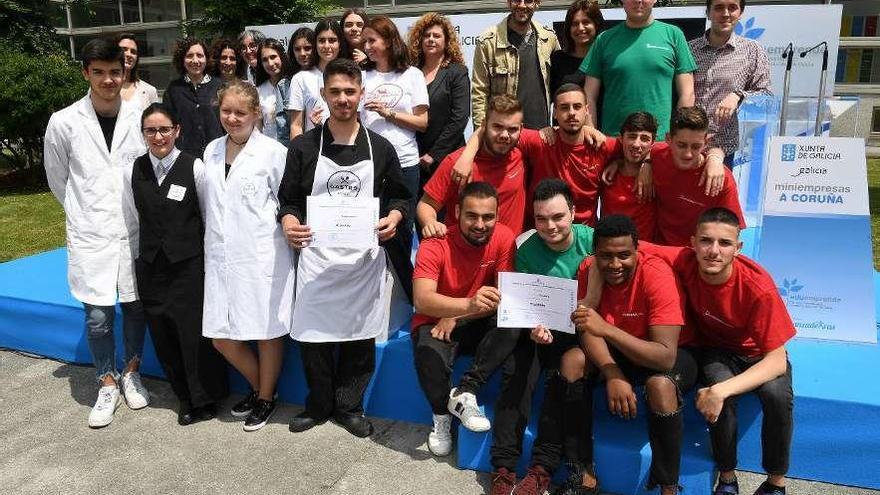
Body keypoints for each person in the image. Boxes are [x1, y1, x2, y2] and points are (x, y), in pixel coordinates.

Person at [278, 58, 411, 438]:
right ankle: (318, 404)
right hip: (317, 260)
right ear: (323, 94)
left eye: (350, 91)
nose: (342, 99)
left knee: (359, 336)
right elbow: (287, 201)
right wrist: (288, 222)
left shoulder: (382, 148)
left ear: (361, 94)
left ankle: (349, 406)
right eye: (334, 92)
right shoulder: (303, 147)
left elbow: (401, 198)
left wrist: (395, 219)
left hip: (362, 261)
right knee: (313, 336)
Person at [639, 207, 795, 495]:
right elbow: (629, 243)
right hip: (717, 351)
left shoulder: (757, 287)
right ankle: (727, 478)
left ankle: (776, 482)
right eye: (706, 241)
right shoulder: (685, 260)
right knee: (718, 391)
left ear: (738, 248)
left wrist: (721, 390)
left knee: (775, 396)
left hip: (758, 355)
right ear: (692, 242)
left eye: (724, 243)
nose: (713, 251)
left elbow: (776, 361)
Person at [44, 38, 150, 428]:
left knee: (136, 307)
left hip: (133, 229)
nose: (108, 79)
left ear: (124, 73)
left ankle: (131, 370)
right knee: (98, 317)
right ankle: (106, 379)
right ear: (86, 72)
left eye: (115, 72)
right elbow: (58, 180)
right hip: (91, 232)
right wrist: (85, 211)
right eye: (100, 72)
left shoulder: (140, 114)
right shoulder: (64, 121)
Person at [559, 214, 696, 495]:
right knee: (572, 361)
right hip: (619, 354)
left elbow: (665, 357)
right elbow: (586, 329)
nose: (615, 264)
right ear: (595, 253)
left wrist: (607, 329)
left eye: (624, 255)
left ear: (637, 251)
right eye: (606, 256)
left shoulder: (656, 274)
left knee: (660, 385)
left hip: (664, 353)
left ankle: (669, 487)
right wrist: (612, 373)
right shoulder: (588, 269)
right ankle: (583, 474)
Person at [412, 182, 532, 482]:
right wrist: (462, 306)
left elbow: (506, 296)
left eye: (488, 217)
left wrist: (461, 314)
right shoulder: (436, 242)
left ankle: (466, 390)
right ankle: (441, 416)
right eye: (472, 216)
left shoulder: (504, 237)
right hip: (433, 320)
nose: (480, 224)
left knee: (512, 323)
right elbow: (422, 299)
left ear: (497, 215)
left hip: (471, 318)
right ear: (456, 213)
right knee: (428, 354)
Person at [123, 103, 228, 426]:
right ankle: (184, 397)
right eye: (150, 131)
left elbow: (210, 218)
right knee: (164, 334)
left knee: (193, 334)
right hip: (152, 266)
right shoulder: (132, 171)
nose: (158, 136)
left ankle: (206, 397)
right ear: (143, 134)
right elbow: (131, 222)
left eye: (164, 129)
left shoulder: (194, 167)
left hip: (188, 265)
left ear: (177, 131)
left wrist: (210, 264)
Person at [201, 81, 295, 432]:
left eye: (241, 112)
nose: (233, 118)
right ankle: (259, 387)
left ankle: (266, 397)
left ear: (257, 113)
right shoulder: (210, 150)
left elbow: (288, 202)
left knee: (267, 329)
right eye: (226, 111)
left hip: (262, 255)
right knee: (220, 335)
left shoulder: (273, 152)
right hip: (221, 254)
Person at [494, 179, 597, 494]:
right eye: (541, 219)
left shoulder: (593, 241)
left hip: (584, 333)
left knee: (560, 376)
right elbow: (524, 301)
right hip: (543, 331)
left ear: (574, 213)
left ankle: (542, 467)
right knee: (517, 369)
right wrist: (532, 327)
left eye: (558, 217)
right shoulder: (525, 248)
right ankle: (503, 466)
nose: (550, 226)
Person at [451, 84, 610, 228]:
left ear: (587, 110)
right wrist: (467, 157)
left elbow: (630, 146)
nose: (571, 113)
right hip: (537, 234)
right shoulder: (541, 141)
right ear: (554, 112)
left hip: (584, 235)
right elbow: (489, 130)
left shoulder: (600, 144)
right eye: (564, 107)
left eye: (577, 107)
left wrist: (618, 162)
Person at [581, 0, 696, 139]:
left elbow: (687, 94)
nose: (638, 1)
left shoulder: (674, 35)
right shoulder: (604, 40)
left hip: (659, 142)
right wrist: (590, 131)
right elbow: (589, 96)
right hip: (613, 142)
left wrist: (680, 136)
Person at [418, 95, 527, 237]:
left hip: (509, 254)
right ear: (484, 125)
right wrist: (430, 223)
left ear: (521, 129)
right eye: (497, 127)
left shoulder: (523, 152)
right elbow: (426, 205)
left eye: (512, 129)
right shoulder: (456, 162)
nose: (504, 135)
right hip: (464, 254)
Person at [361, 15, 429, 237]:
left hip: (405, 162)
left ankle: (402, 273)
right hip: (369, 162)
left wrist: (387, 113)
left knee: (401, 229)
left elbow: (422, 122)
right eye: (365, 42)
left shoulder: (412, 75)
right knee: (372, 227)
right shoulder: (361, 76)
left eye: (372, 40)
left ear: (388, 41)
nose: (367, 47)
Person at [689, 0, 772, 167]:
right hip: (689, 146)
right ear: (708, 12)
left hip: (726, 148)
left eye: (732, 8)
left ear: (740, 13)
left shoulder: (752, 50)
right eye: (719, 8)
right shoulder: (689, 49)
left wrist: (738, 95)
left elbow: (766, 94)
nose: (726, 13)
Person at [650, 106, 744, 246]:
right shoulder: (655, 155)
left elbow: (732, 230)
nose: (688, 154)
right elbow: (622, 149)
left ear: (705, 143)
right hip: (660, 251)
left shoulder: (722, 178)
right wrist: (644, 163)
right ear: (668, 139)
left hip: (699, 256)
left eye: (695, 147)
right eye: (681, 145)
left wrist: (715, 157)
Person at [472, 0, 559, 130]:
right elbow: (480, 93)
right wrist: (481, 134)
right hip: (504, 135)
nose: (522, 5)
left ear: (537, 3)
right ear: (509, 2)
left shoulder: (549, 38)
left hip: (542, 133)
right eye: (517, 0)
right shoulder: (488, 42)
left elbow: (560, 88)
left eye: (528, 1)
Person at [407, 13, 470, 188]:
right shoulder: (411, 73)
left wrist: (434, 154)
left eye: (436, 36)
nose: (431, 39)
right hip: (414, 158)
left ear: (446, 41)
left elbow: (460, 117)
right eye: (426, 36)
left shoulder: (457, 72)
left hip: (447, 157)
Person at [600, 111, 658, 242]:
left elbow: (675, 146)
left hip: (645, 253)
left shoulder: (658, 172)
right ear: (620, 139)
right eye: (632, 136)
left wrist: (648, 162)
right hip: (608, 249)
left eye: (644, 139)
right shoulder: (606, 169)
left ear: (652, 144)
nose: (637, 144)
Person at [164, 38, 223, 158]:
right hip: (185, 156)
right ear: (182, 59)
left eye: (200, 55)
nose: (195, 60)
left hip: (217, 154)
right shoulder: (174, 89)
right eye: (190, 56)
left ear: (206, 59)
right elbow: (168, 124)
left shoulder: (220, 87)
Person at [288, 19, 347, 140]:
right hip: (314, 149)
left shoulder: (351, 75)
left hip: (346, 147)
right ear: (315, 44)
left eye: (332, 40)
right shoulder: (300, 78)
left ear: (340, 44)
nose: (326, 46)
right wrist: (297, 156)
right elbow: (296, 126)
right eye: (321, 41)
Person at [549, 0, 604, 97]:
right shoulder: (557, 59)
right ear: (569, 29)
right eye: (575, 24)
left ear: (596, 25)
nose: (581, 28)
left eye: (586, 22)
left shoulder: (606, 59)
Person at [255, 38, 293, 146]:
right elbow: (258, 127)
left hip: (292, 148)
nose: (270, 63)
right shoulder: (259, 91)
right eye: (265, 60)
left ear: (281, 56)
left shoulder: (294, 84)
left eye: (273, 57)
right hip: (269, 150)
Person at [117, 33, 159, 111]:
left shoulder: (149, 91)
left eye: (133, 52)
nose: (129, 54)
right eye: (124, 49)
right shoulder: (103, 87)